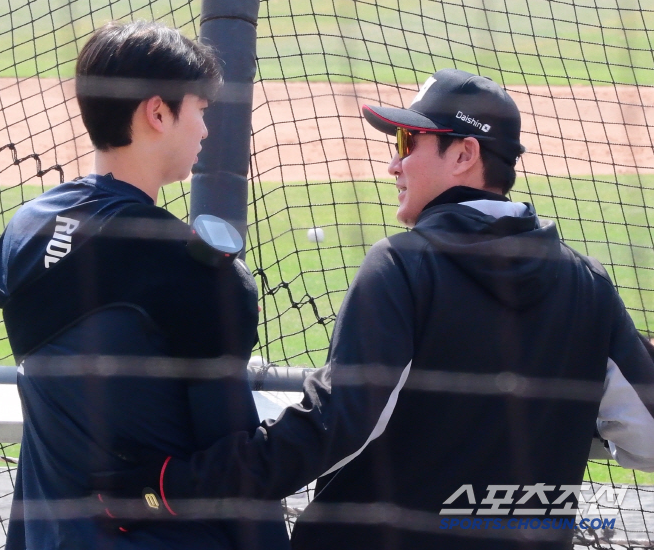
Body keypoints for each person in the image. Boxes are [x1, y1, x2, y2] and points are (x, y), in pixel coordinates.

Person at [95, 69, 654, 550]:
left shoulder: (404, 266)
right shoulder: (588, 284)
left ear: (464, 154)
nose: (395, 164)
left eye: (410, 143)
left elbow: (334, 428)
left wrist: (166, 488)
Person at [0, 20, 289, 550]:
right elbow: (238, 474)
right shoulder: (193, 272)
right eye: (199, 110)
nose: (205, 130)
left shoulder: (21, 233)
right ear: (157, 112)